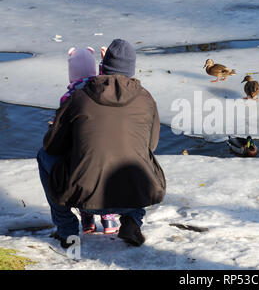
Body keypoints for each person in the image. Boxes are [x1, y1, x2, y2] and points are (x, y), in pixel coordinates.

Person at [37, 39, 166, 248]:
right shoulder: (146, 99)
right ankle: (132, 220)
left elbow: (53, 146)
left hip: (85, 197)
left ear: (102, 67)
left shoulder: (79, 98)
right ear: (131, 68)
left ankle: (67, 231)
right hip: (136, 195)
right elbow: (151, 145)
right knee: (140, 157)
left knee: (44, 156)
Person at [61, 46, 120, 234]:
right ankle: (109, 219)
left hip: (81, 154)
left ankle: (87, 220)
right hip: (105, 152)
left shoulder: (68, 97)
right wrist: (104, 65)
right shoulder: (100, 90)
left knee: (78, 167)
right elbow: (110, 84)